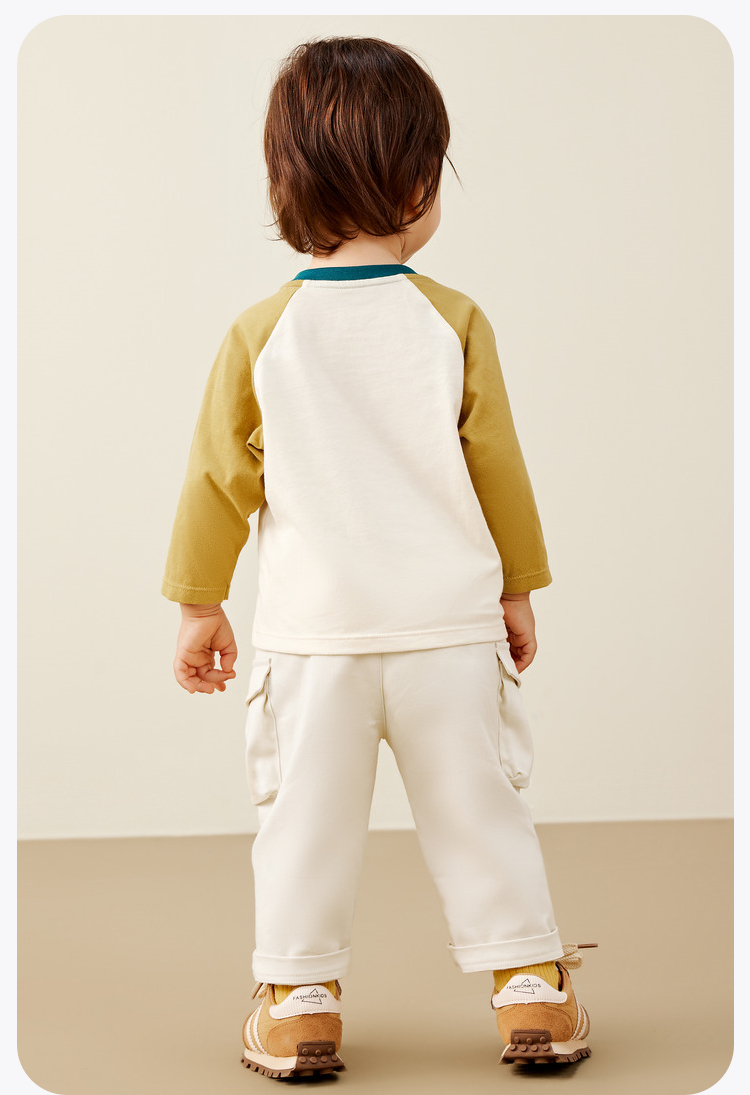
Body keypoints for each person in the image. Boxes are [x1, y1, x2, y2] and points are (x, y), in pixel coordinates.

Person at [161, 34, 596, 1079]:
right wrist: (518, 589)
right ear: (416, 186)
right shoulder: (453, 321)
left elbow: (218, 479)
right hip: (449, 630)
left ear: (285, 184)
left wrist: (200, 605)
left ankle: (299, 1001)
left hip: (315, 641)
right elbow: (497, 468)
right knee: (480, 811)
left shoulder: (263, 333)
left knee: (303, 823)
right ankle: (530, 986)